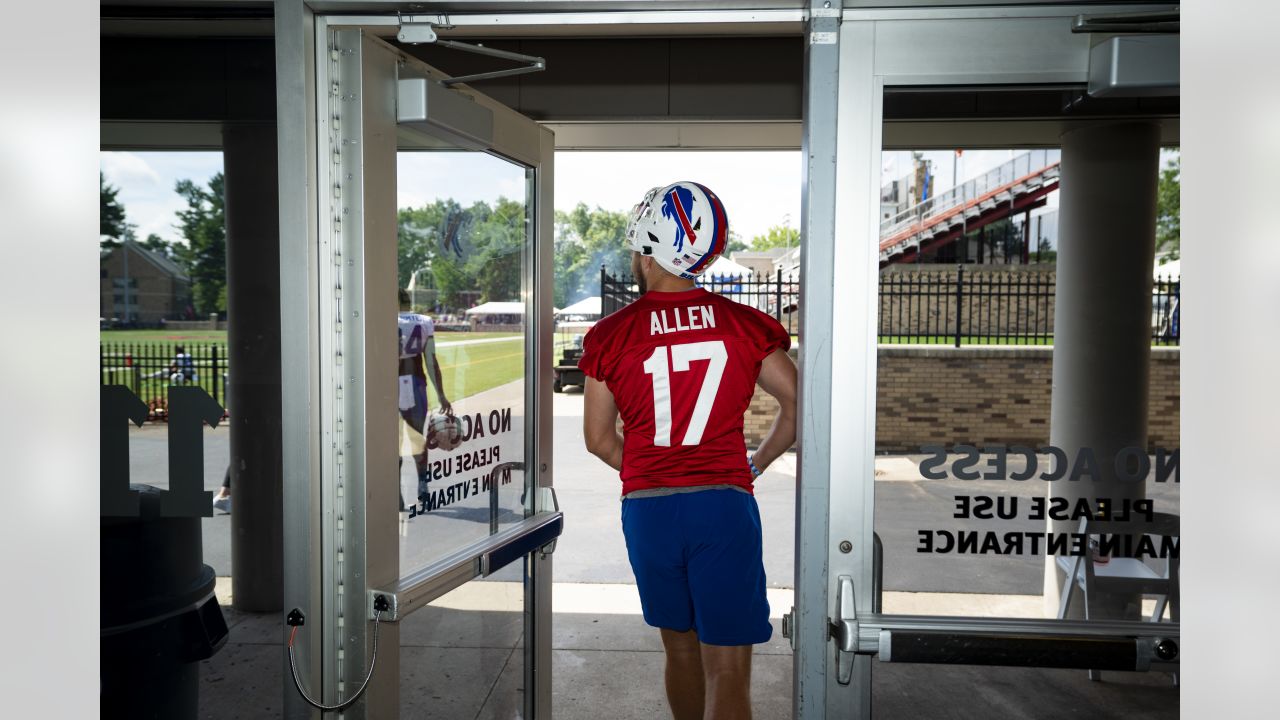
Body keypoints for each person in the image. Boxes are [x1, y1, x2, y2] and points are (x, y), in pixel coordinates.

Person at [579, 181, 798, 720]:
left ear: (647, 247)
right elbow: (801, 405)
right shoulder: (745, 325)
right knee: (727, 665)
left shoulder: (610, 335)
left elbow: (599, 440)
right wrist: (759, 459)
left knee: (678, 647)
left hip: (650, 509)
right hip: (721, 505)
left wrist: (656, 468)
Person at [398, 289, 453, 515]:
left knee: (395, 439)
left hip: (392, 383)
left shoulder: (385, 319)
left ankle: (396, 494)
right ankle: (423, 484)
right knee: (417, 438)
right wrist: (441, 393)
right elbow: (430, 359)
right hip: (417, 384)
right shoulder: (423, 321)